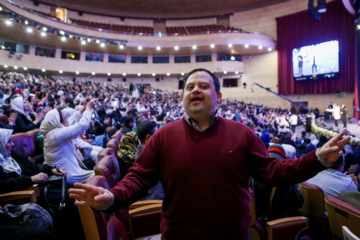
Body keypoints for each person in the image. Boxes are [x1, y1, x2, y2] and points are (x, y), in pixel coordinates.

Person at [69, 68, 350, 240]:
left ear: (219, 97)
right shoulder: (163, 136)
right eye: (190, 87)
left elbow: (273, 172)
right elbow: (139, 178)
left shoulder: (242, 134)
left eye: (203, 86)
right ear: (183, 98)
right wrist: (113, 196)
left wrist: (319, 158)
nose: (195, 90)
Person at [40, 100, 96, 184]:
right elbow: (81, 125)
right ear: (58, 122)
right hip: (67, 175)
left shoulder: (54, 131)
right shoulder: (56, 134)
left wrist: (82, 110)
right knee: (100, 175)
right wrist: (88, 109)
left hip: (70, 170)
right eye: (65, 117)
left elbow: (71, 120)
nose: (68, 119)